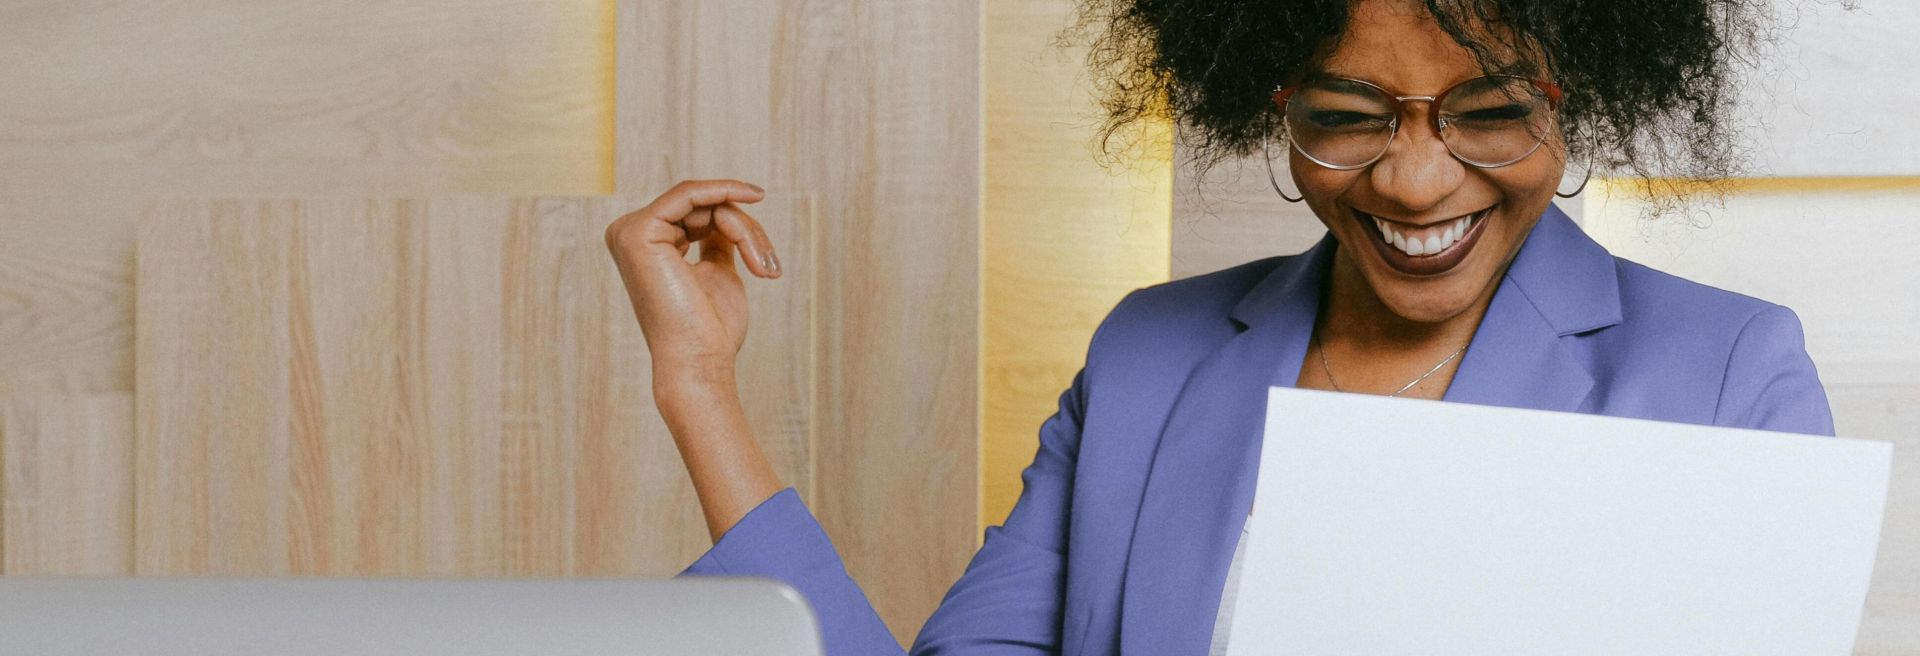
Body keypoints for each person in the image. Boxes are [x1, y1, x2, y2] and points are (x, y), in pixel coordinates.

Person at [601, 0, 1833, 653]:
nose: (1413, 181)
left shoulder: (1725, 372)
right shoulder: (1152, 354)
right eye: (1350, 117)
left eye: (1489, 110)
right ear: (1274, 103)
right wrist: (699, 386)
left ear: (1578, 102)